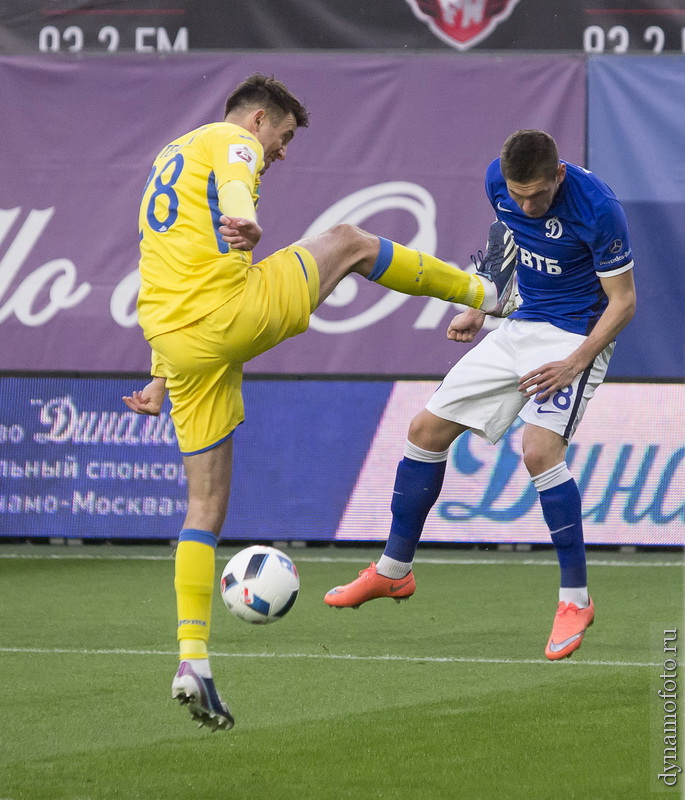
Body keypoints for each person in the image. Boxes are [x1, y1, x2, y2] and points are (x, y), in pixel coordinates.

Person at [123, 73, 516, 731]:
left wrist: (162, 375)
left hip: (175, 339)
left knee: (203, 506)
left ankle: (193, 658)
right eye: (282, 138)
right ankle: (486, 295)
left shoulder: (169, 157)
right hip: (226, 315)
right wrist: (246, 219)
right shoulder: (231, 140)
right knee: (349, 242)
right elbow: (237, 186)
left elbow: (166, 266)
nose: (281, 153)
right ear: (257, 119)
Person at [325, 129, 636, 662]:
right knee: (424, 431)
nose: (526, 204)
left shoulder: (599, 208)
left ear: (559, 175)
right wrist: (480, 305)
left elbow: (624, 302)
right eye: (518, 193)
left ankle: (575, 601)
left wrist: (575, 361)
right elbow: (506, 239)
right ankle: (394, 571)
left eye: (537, 194)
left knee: (539, 453)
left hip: (575, 336)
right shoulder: (500, 183)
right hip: (521, 323)